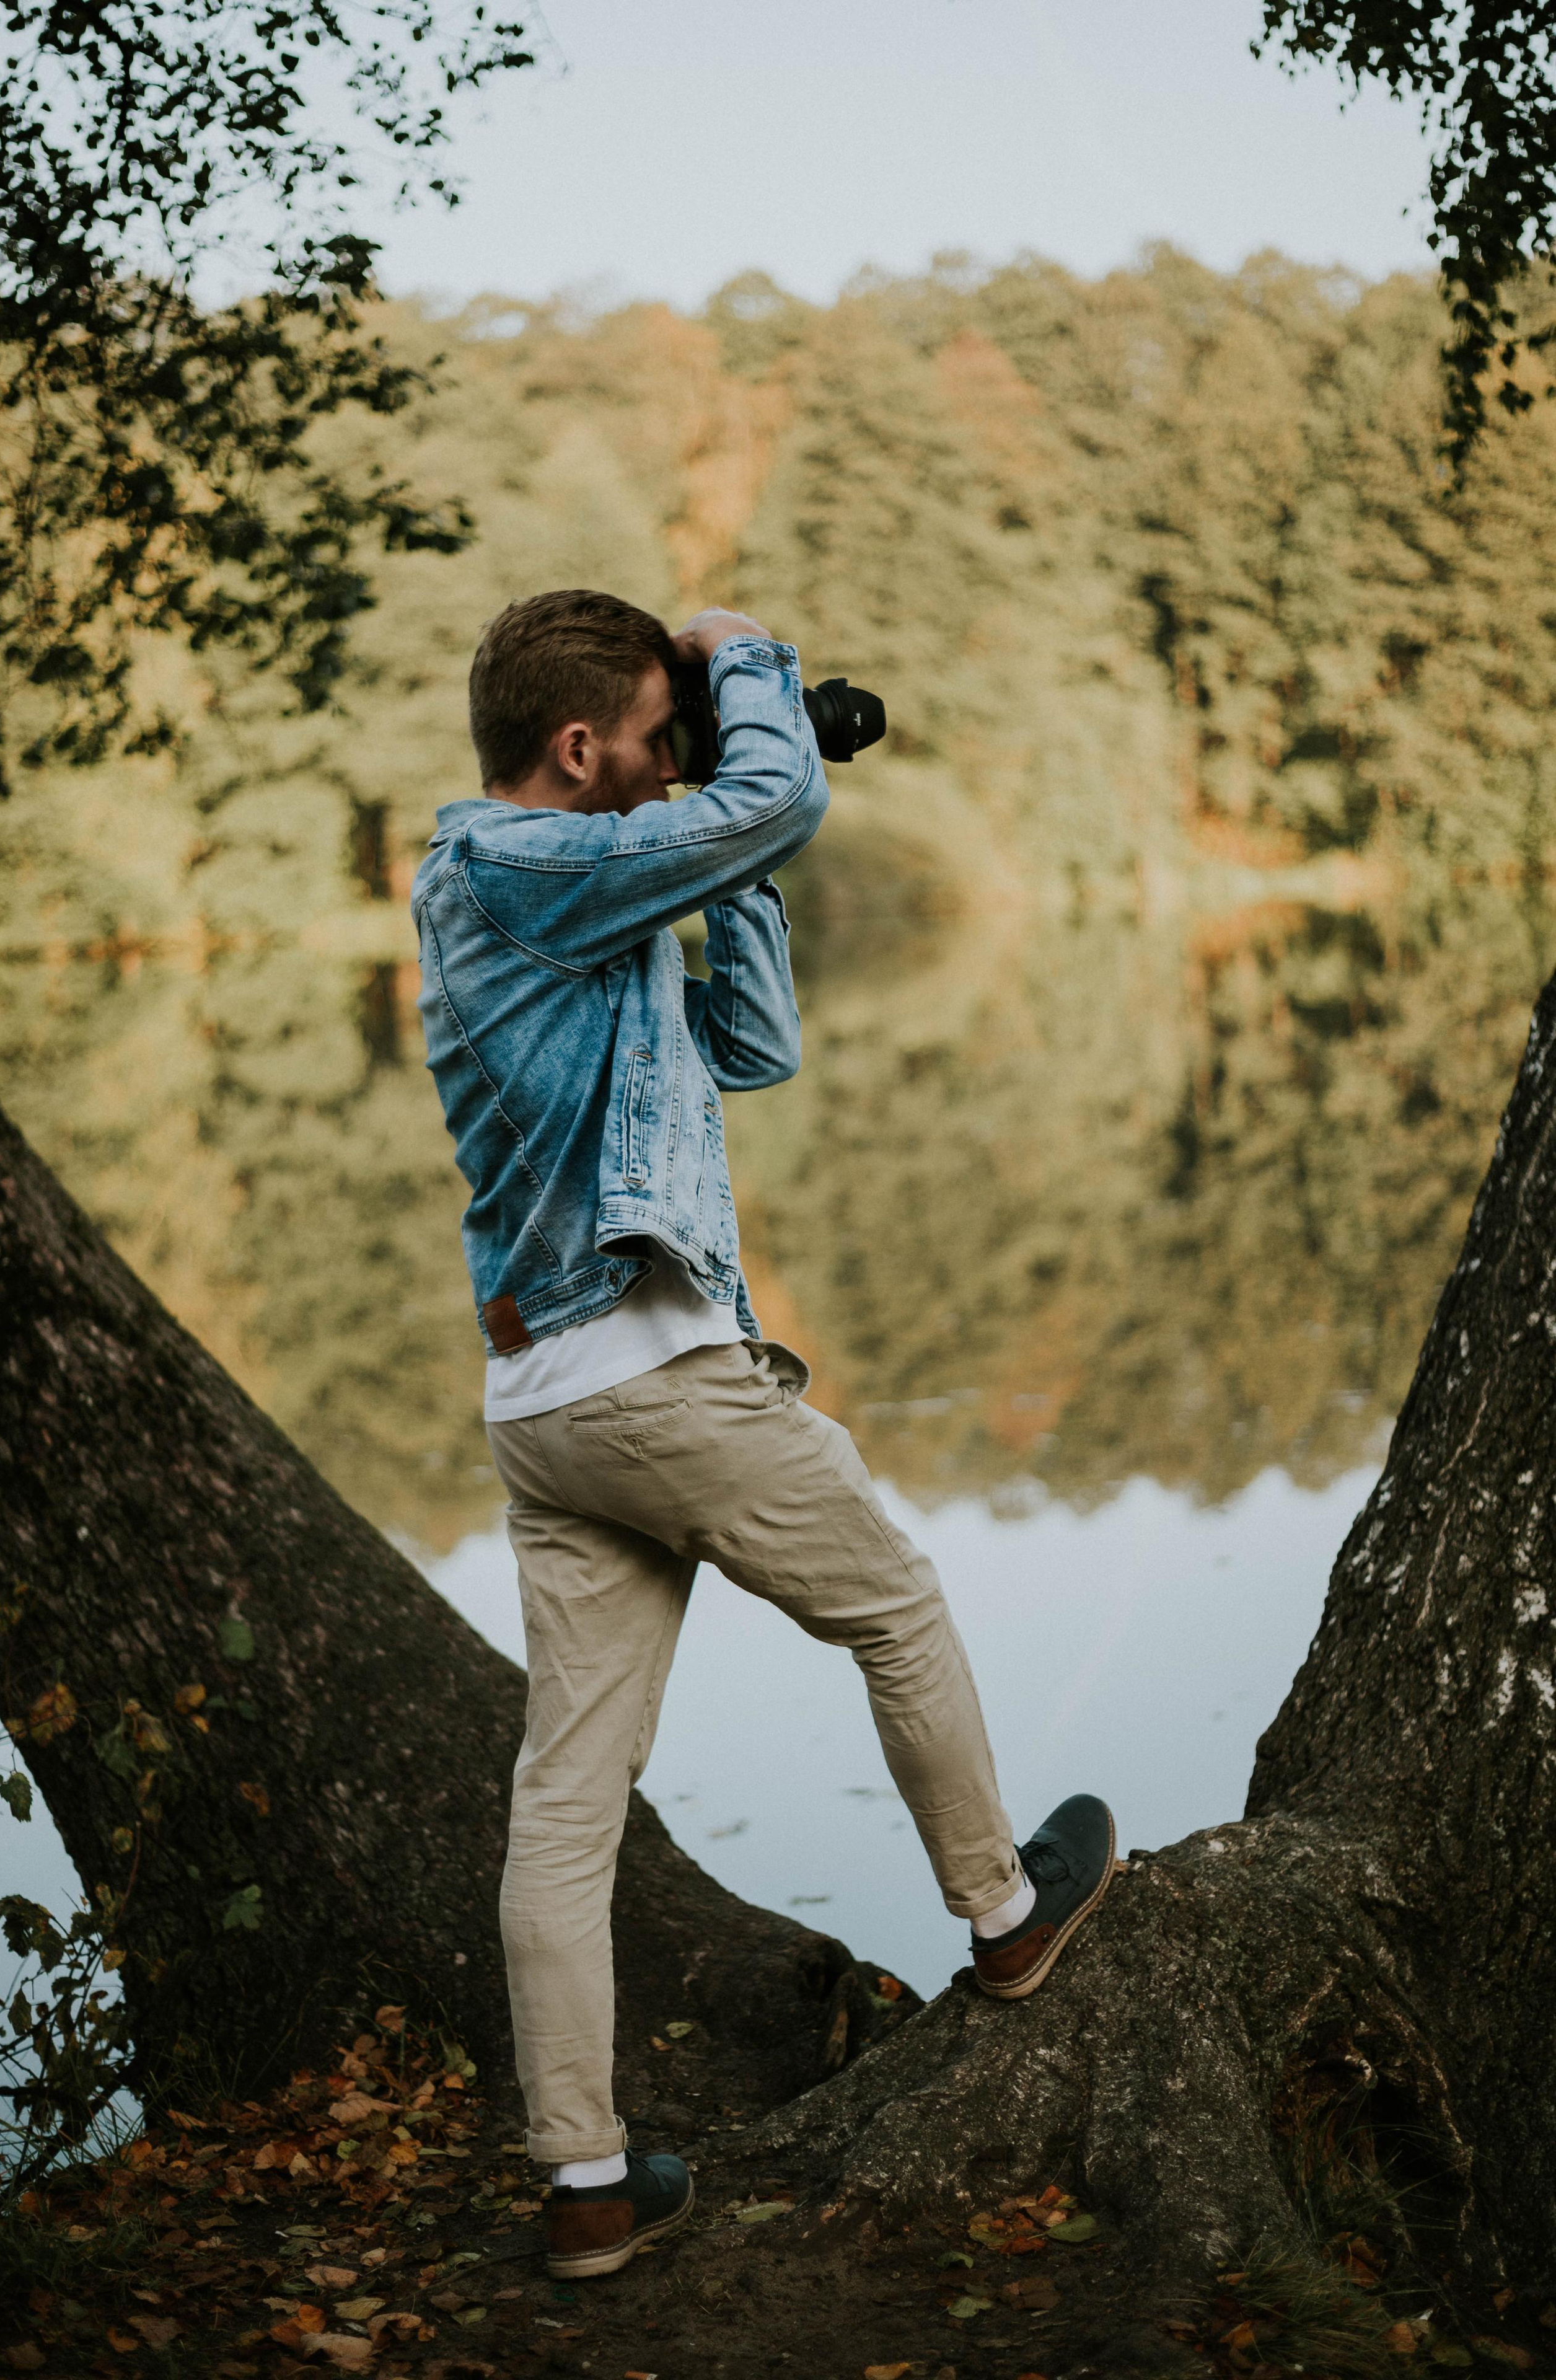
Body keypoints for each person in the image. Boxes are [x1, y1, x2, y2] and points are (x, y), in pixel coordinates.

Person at [412, 588, 1115, 2282]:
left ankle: (584, 2184)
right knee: (899, 1601)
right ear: (577, 748)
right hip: (645, 1381)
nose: (684, 770)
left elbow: (758, 1043)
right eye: (659, 743)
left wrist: (730, 849)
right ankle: (1008, 1922)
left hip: (547, 1410)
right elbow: (780, 793)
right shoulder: (515, 867)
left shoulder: (579, 892)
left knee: (566, 1803)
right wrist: (747, 664)